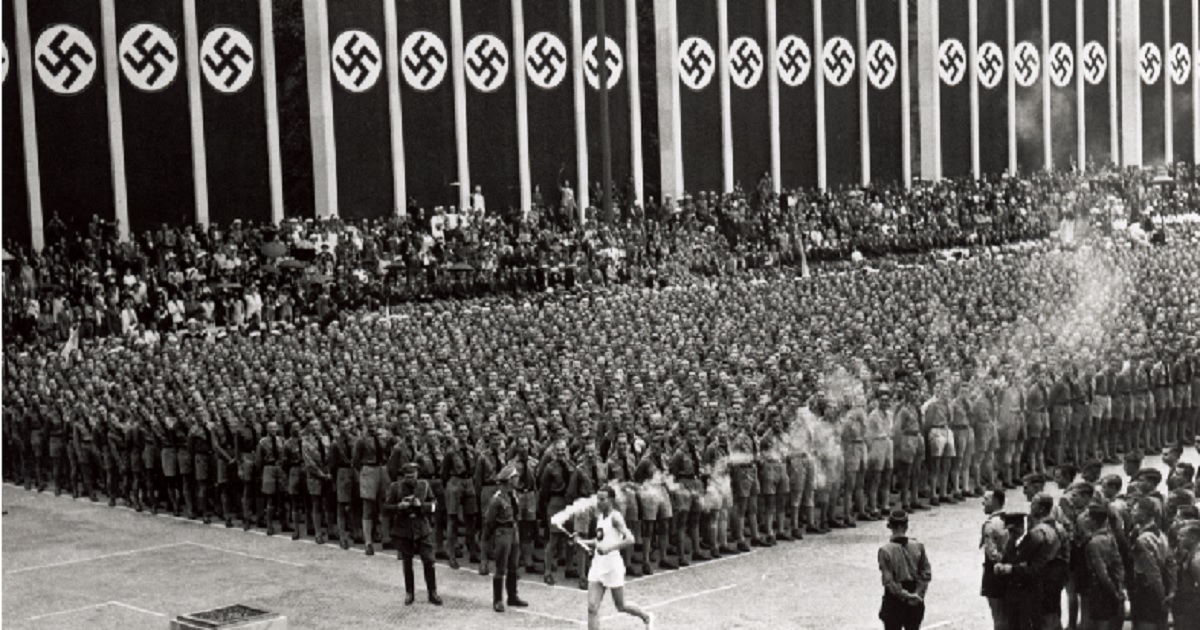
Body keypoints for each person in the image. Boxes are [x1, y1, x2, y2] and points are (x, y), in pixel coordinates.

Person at [573, 486, 653, 630]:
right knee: (592, 607)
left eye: (602, 499)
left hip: (612, 565)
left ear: (610, 500)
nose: (599, 502)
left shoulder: (615, 517)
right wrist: (581, 541)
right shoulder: (599, 517)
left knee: (621, 605)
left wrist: (608, 549)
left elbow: (630, 539)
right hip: (598, 564)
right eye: (598, 498)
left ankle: (646, 617)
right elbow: (599, 541)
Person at [384, 462, 442, 606]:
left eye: (413, 476)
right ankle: (409, 592)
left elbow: (435, 505)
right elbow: (385, 508)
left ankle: (432, 592)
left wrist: (422, 505)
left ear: (417, 474)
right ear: (404, 476)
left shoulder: (424, 486)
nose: (411, 479)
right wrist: (399, 506)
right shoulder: (395, 487)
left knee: (429, 561)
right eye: (408, 477)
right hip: (404, 530)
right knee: (407, 562)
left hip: (422, 528)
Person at [481, 463, 527, 613]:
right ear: (508, 479)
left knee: (513, 566)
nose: (517, 479)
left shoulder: (513, 494)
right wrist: (488, 542)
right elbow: (488, 522)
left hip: (513, 531)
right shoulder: (497, 499)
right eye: (515, 477)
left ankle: (512, 596)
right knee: (501, 567)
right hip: (502, 533)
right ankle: (498, 600)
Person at [877, 509, 931, 630]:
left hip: (894, 599)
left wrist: (906, 596)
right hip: (915, 593)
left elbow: (889, 582)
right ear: (906, 526)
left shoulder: (885, 551)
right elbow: (926, 574)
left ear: (890, 526)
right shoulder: (918, 546)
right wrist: (917, 594)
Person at [1128, 496, 1174, 630]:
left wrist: (1161, 598)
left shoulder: (1143, 540)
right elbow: (1171, 565)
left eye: (1135, 510)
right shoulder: (1161, 535)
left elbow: (1152, 572)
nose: (1132, 512)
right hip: (1162, 585)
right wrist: (1171, 591)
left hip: (1147, 589)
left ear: (1145, 514)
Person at [979, 490, 1008, 630]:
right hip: (1010, 571)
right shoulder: (1008, 520)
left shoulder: (991, 524)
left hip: (995, 573)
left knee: (998, 616)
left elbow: (992, 553)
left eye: (986, 499)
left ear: (995, 501)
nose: (983, 502)